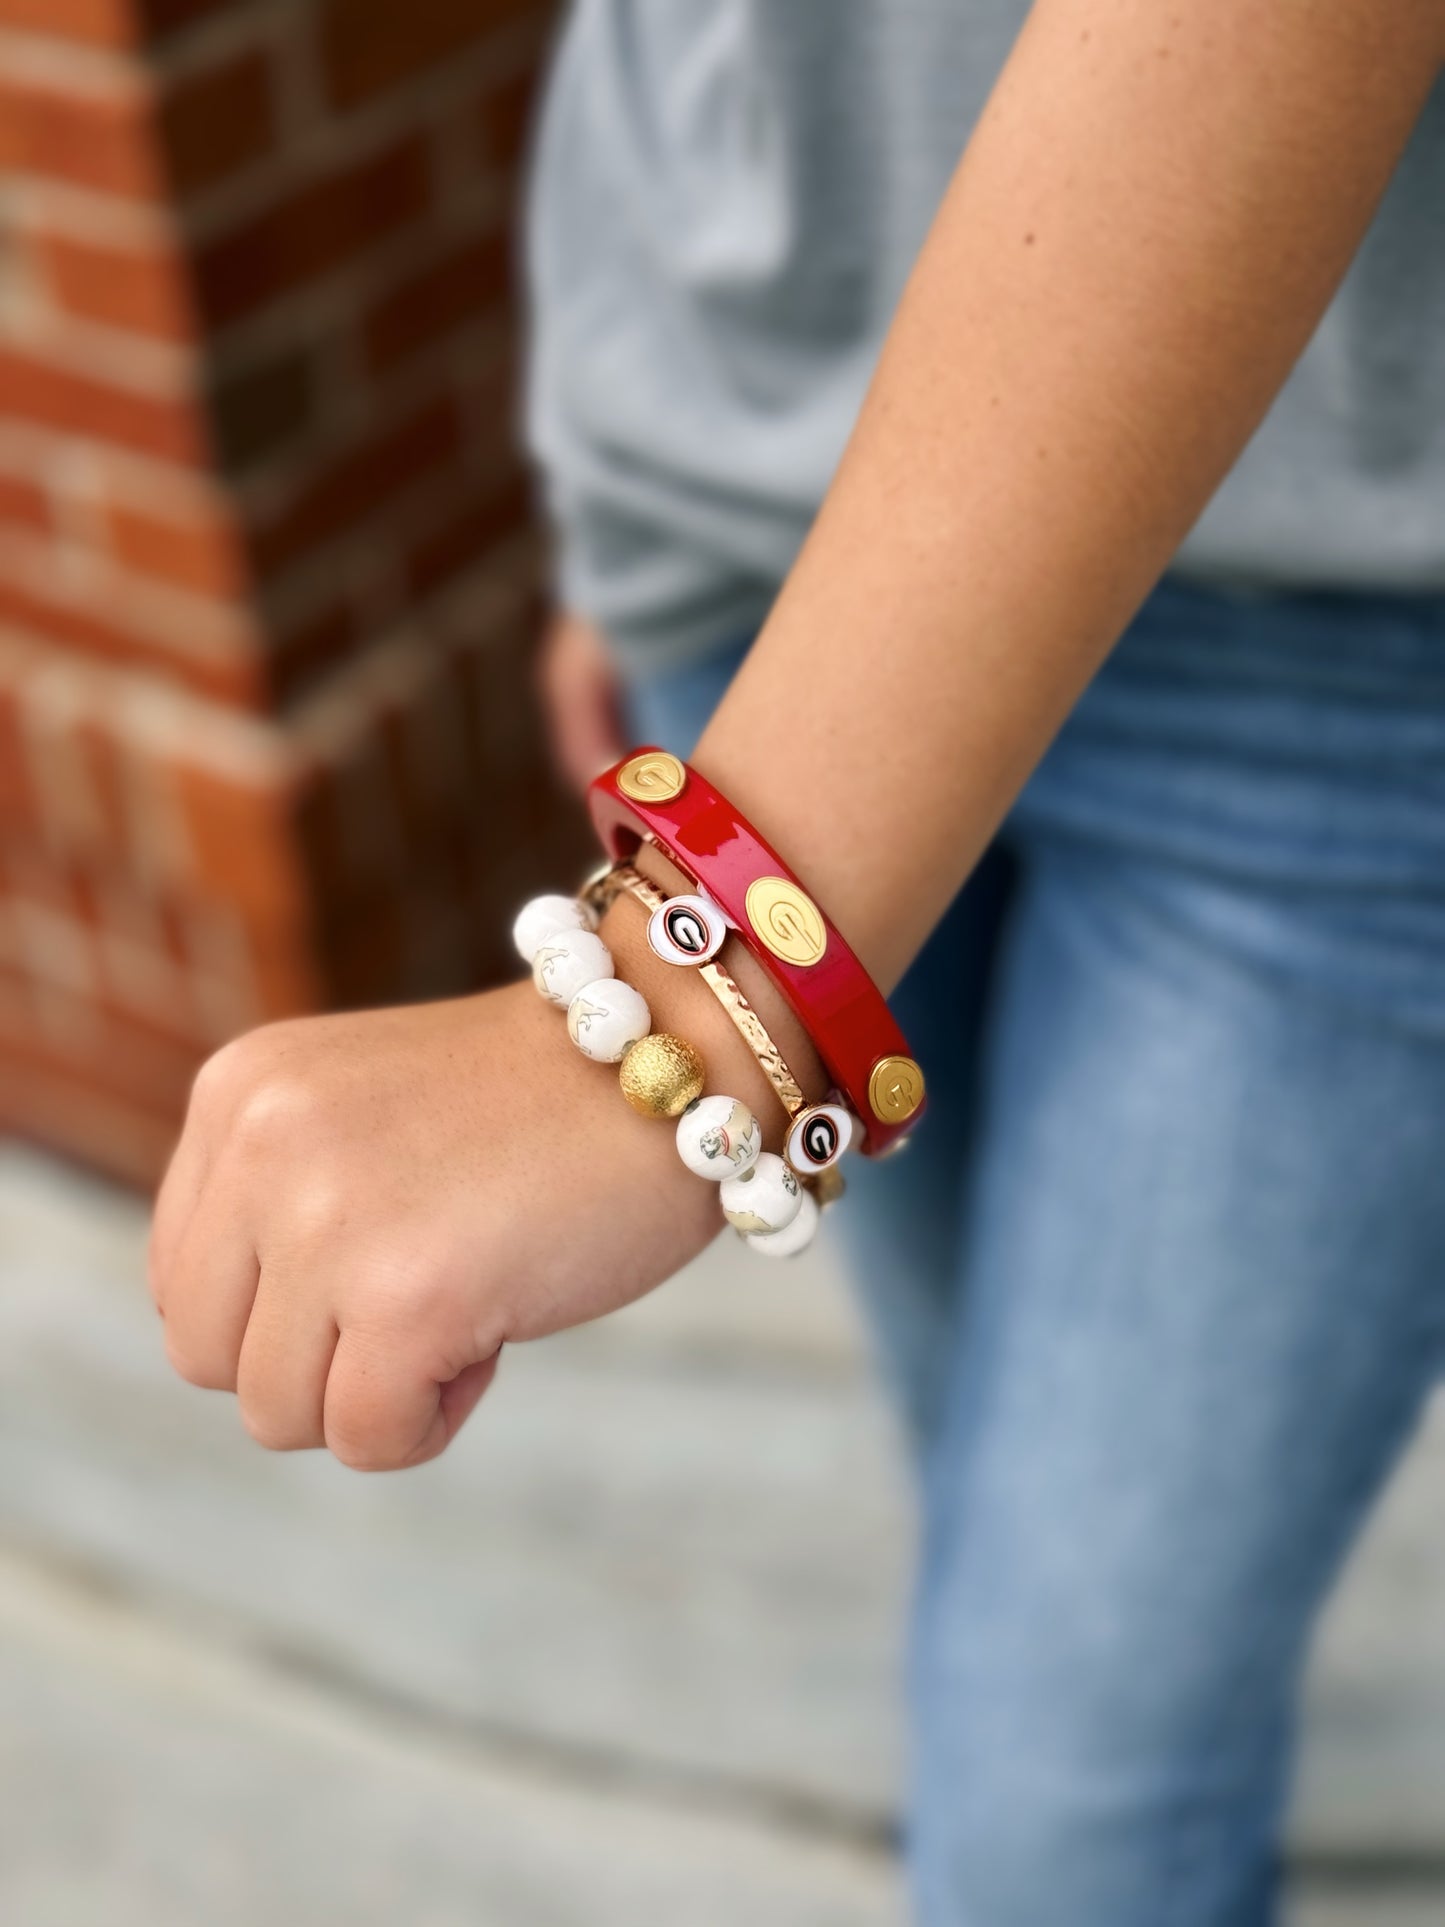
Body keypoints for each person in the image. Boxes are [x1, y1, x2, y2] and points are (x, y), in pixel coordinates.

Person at [150, 3, 1445, 1920]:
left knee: (1060, 1803)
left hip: (1340, 592)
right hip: (731, 516)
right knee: (994, 1454)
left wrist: (659, 1019)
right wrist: (621, 511)